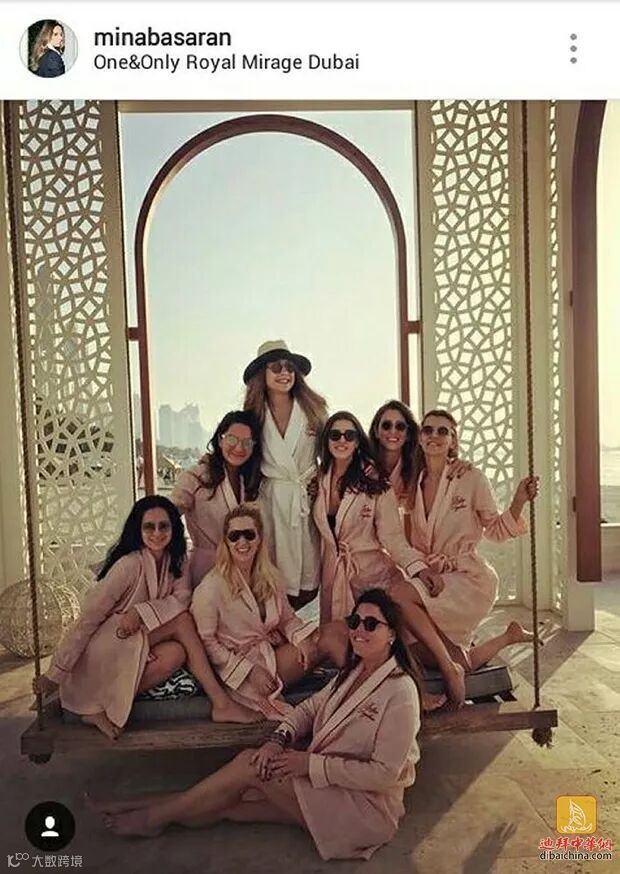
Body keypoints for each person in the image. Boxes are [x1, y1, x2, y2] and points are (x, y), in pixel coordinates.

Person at [90, 589, 422, 864]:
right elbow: (308, 709)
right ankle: (138, 807)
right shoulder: (353, 672)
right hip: (330, 790)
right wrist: (278, 738)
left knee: (249, 767)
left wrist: (309, 764)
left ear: (392, 634)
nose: (359, 630)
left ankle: (149, 819)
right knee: (231, 804)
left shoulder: (400, 692)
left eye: (371, 624)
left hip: (362, 811)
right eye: (354, 621)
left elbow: (383, 775)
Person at [33, 496, 259, 738]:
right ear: (138, 530)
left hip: (139, 637)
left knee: (176, 653)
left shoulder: (177, 560)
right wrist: (56, 673)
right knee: (183, 621)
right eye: (149, 527)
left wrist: (140, 612)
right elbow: (87, 619)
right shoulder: (128, 565)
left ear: (174, 528)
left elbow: (182, 598)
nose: (157, 533)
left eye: (164, 526)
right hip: (109, 642)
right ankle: (221, 703)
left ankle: (101, 706)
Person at [313, 410, 466, 706]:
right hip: (337, 578)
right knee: (350, 646)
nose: (342, 440)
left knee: (382, 645)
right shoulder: (317, 482)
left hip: (374, 578)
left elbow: (393, 538)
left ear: (358, 442)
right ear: (326, 442)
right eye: (335, 435)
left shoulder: (375, 484)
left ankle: (420, 690)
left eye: (349, 435)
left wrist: (419, 570)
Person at [389, 409, 538, 681]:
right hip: (432, 576)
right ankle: (502, 640)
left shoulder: (471, 478)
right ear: (419, 438)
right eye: (428, 430)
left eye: (442, 431)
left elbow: (495, 531)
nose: (434, 436)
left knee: (399, 595)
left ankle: (450, 663)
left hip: (467, 579)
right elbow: (383, 489)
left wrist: (519, 500)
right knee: (417, 652)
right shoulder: (413, 481)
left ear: (453, 440)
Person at [191, 504, 332, 719]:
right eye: (234, 536)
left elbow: (286, 619)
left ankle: (348, 697)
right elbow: (206, 643)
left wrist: (301, 639)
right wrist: (249, 671)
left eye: (249, 534)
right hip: (240, 673)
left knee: (335, 632)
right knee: (331, 639)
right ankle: (344, 703)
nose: (242, 542)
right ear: (226, 542)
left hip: (269, 654)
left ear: (259, 539)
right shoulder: (211, 587)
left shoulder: (270, 577)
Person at [243, 340, 328, 609]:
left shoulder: (313, 409)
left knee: (308, 575)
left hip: (305, 500)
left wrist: (320, 480)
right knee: (274, 574)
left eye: (290, 367)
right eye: (277, 367)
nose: (285, 373)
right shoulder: (253, 416)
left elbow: (331, 452)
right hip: (271, 501)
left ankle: (297, 622)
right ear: (263, 374)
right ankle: (279, 623)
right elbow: (238, 454)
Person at [170, 411, 262, 587]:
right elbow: (169, 512)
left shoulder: (250, 480)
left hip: (244, 569)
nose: (239, 448)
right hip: (207, 569)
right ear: (220, 440)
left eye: (247, 442)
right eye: (232, 439)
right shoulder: (196, 477)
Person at [369, 399, 470, 516]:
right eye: (386, 426)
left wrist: (461, 465)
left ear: (408, 433)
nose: (393, 431)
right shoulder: (363, 465)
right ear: (376, 431)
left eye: (400, 426)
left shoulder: (419, 468)